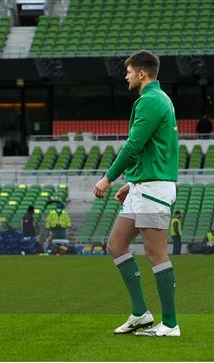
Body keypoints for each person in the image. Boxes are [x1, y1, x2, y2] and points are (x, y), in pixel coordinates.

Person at [93, 50, 180, 337]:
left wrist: (107, 179)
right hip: (143, 186)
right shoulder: (156, 100)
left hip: (154, 189)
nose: (126, 75)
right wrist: (132, 182)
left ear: (142, 73)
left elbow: (133, 146)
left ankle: (169, 324)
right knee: (116, 245)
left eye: (129, 71)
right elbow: (151, 149)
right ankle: (141, 314)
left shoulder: (151, 101)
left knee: (155, 253)